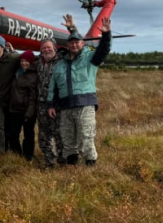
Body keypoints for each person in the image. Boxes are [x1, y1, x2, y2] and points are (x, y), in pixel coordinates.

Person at [47, 12, 113, 166]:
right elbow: (53, 87)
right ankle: (72, 167)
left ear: (83, 44)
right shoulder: (60, 65)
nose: (74, 45)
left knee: (86, 137)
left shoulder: (90, 58)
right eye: (71, 43)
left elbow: (103, 50)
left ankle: (91, 166)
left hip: (85, 105)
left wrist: (106, 35)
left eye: (77, 42)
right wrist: (51, 104)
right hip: (65, 107)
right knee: (68, 138)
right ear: (67, 45)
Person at [0, 34, 22, 154]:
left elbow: (25, 59)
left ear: (2, 47)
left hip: (9, 99)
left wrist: (14, 51)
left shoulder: (11, 58)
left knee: (8, 126)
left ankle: (9, 149)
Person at [35, 38, 64, 167]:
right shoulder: (39, 62)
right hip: (41, 104)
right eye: (43, 48)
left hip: (57, 105)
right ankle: (49, 162)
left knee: (60, 135)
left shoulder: (62, 62)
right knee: (43, 135)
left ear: (55, 48)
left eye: (48, 47)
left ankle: (63, 162)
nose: (46, 50)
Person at [6, 50, 39, 159]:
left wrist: (29, 113)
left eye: (26, 61)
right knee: (13, 134)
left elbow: (33, 97)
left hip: (27, 110)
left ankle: (28, 155)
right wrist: (11, 50)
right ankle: (17, 154)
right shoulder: (17, 72)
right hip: (15, 109)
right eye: (22, 61)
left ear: (31, 62)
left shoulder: (33, 76)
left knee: (28, 134)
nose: (24, 63)